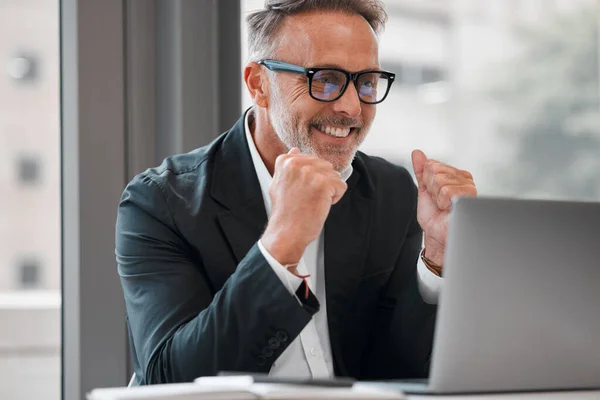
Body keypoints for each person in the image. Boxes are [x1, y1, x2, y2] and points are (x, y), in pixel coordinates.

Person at [116, 0, 477, 386]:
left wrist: (436, 260)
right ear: (259, 84)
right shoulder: (161, 202)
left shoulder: (391, 192)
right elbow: (169, 378)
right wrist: (281, 242)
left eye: (367, 82)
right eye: (325, 79)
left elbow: (395, 370)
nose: (352, 107)